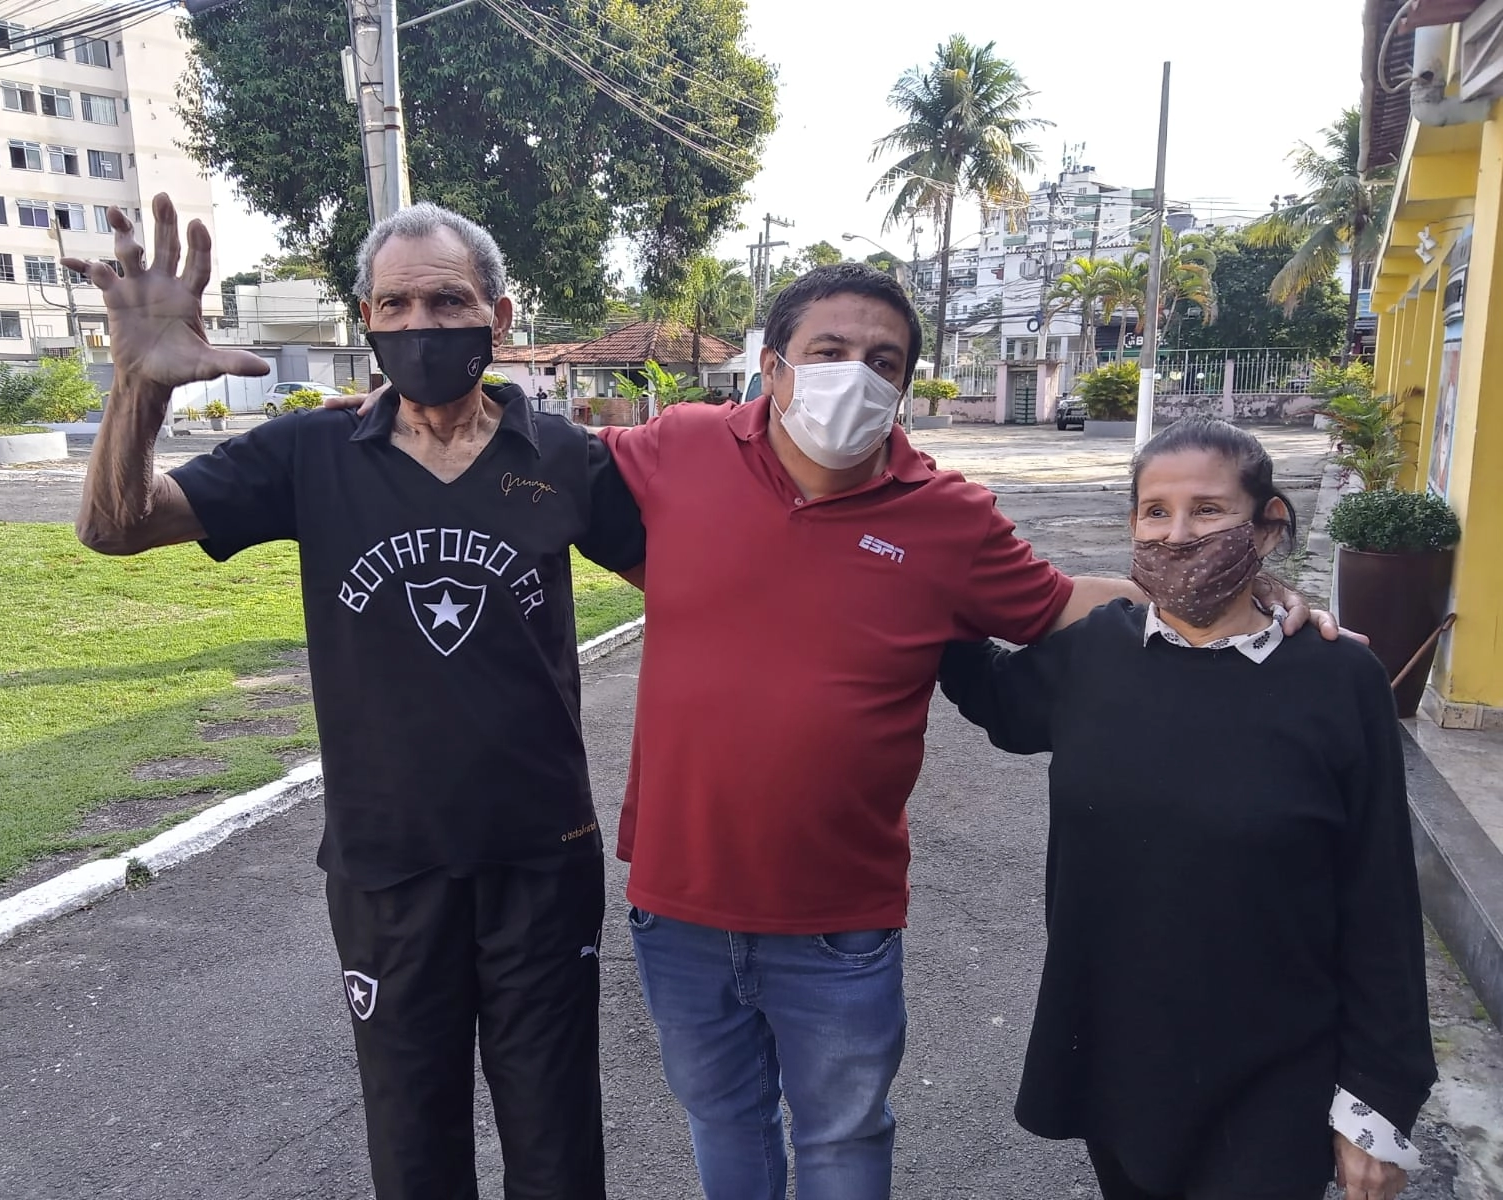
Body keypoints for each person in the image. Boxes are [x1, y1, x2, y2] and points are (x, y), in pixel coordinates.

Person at [334, 263, 1341, 1199]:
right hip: (677, 906)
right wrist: (395, 421)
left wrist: (1234, 590)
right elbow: (525, 456)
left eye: (884, 361)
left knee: (843, 1135)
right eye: (827, 352)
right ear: (770, 367)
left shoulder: (945, 515)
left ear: (906, 385)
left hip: (839, 921)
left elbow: (1058, 602)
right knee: (723, 1123)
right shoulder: (678, 448)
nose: (854, 375)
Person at [68, 193, 645, 1200]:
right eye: (396, 305)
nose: (420, 325)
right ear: (366, 320)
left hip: (541, 863)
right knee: (413, 1151)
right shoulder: (310, 455)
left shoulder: (564, 459)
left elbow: (692, 584)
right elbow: (118, 526)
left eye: (445, 301)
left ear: (498, 319)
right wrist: (135, 389)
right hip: (389, 870)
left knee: (556, 1149)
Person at [937, 416, 1436, 1200]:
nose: (1176, 535)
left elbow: (1380, 897)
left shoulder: (1339, 681)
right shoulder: (1096, 654)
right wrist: (920, 575)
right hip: (1121, 1056)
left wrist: (1379, 1095)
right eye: (1155, 511)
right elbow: (994, 694)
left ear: (1268, 528)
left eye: (1208, 510)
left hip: (1276, 1065)